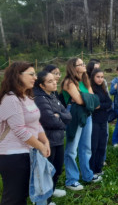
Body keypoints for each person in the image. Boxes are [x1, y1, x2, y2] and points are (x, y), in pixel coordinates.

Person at [0, 62, 50, 204]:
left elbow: (36, 123)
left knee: (22, 195)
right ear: (17, 76)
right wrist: (41, 146)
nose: (35, 77)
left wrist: (45, 141)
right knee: (14, 198)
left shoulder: (26, 97)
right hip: (12, 156)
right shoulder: (11, 99)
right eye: (31, 74)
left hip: (27, 152)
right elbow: (20, 130)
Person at [62, 58, 102, 191]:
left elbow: (94, 101)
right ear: (74, 67)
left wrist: (83, 97)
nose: (84, 65)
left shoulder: (85, 80)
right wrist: (86, 98)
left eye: (83, 63)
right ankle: (71, 180)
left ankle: (87, 175)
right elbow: (79, 101)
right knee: (72, 148)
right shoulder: (68, 82)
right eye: (81, 64)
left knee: (86, 146)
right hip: (74, 114)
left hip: (87, 114)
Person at [34, 71, 72, 201]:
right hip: (48, 141)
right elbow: (49, 120)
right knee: (46, 171)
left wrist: (59, 116)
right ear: (42, 86)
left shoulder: (53, 96)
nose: (55, 82)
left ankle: (52, 190)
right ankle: (45, 199)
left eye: (54, 80)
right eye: (50, 81)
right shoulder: (40, 99)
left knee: (57, 169)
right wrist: (62, 120)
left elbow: (68, 115)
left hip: (58, 139)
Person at [90, 69, 112, 175]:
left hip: (104, 120)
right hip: (94, 121)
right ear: (93, 77)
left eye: (102, 77)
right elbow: (94, 105)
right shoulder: (91, 89)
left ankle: (99, 168)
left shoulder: (103, 89)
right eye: (98, 77)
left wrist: (101, 106)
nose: (100, 79)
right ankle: (92, 169)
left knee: (102, 145)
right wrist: (101, 105)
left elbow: (109, 102)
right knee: (94, 146)